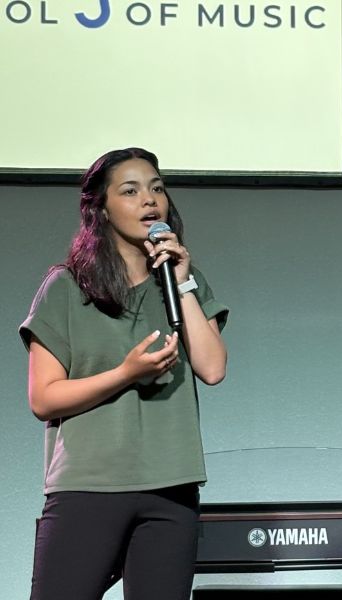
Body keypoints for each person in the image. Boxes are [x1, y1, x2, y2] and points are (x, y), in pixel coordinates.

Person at [20, 148, 228, 600]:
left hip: (171, 487)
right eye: (130, 191)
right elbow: (44, 399)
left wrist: (182, 280)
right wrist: (126, 374)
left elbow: (212, 369)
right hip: (89, 485)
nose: (149, 200)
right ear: (101, 209)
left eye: (156, 188)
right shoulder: (66, 288)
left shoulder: (185, 280)